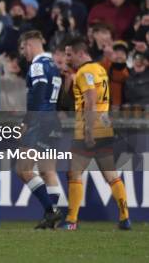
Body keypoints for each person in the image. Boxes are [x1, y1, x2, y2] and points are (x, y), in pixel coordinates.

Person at [61, 37, 131, 230]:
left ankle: (71, 220)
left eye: (69, 54)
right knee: (111, 176)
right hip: (105, 127)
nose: (67, 59)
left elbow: (91, 100)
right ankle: (125, 217)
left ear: (81, 53)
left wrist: (89, 131)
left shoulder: (85, 72)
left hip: (88, 129)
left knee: (74, 174)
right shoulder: (99, 68)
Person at [17, 30, 63, 229]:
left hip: (39, 122)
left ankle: (51, 211)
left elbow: (39, 93)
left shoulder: (37, 65)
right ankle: (53, 217)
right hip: (52, 120)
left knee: (23, 169)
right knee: (47, 171)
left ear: (30, 44)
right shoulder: (53, 64)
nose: (22, 53)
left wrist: (27, 122)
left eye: (22, 48)